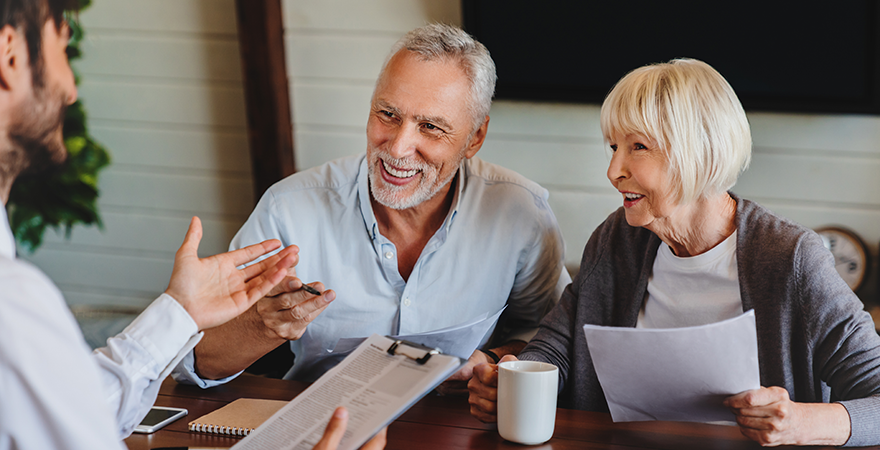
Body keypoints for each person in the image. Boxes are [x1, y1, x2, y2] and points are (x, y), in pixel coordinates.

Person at [0, 1, 385, 449]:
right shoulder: (14, 306)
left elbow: (80, 407)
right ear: (10, 54)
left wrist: (179, 310)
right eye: (61, 50)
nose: (71, 90)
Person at [467, 58, 880, 447]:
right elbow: (558, 344)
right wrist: (515, 380)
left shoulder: (790, 259)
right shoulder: (617, 239)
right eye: (613, 147)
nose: (614, 171)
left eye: (638, 147)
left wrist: (801, 422)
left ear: (695, 151)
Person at [175, 24, 570, 391]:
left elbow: (549, 335)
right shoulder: (288, 210)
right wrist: (262, 326)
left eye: (430, 127)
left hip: (459, 428)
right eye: (388, 115)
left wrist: (493, 362)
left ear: (474, 138)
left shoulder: (522, 213)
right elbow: (195, 365)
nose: (397, 148)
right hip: (326, 428)